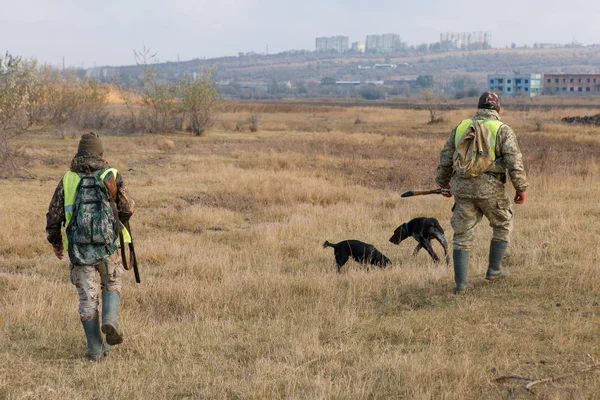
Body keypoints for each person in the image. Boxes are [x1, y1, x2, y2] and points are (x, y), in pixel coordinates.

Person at [46, 132, 135, 360]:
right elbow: (127, 208)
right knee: (112, 283)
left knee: (87, 299)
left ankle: (95, 350)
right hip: (109, 247)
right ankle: (110, 320)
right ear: (101, 153)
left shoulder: (68, 178)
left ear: (78, 154)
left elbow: (54, 215)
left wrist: (56, 242)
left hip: (79, 249)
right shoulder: (111, 174)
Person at [435, 92, 528, 294]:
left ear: (478, 108)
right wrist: (521, 188)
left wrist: (444, 184)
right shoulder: (503, 129)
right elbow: (514, 162)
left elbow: (445, 158)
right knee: (502, 223)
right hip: (490, 188)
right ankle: (494, 270)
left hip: (462, 187)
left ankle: (460, 284)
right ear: (498, 109)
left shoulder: (461, 127)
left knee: (462, 233)